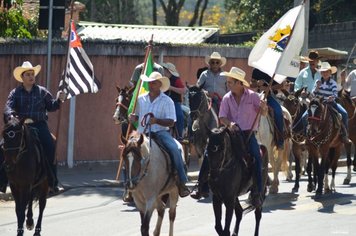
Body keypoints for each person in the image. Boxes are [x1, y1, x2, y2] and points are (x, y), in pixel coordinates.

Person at [192, 67, 268, 207]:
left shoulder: (253, 96)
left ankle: (257, 190)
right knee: (211, 150)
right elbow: (222, 117)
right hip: (230, 132)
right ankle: (200, 185)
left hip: (248, 133)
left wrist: (264, 107)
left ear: (239, 83)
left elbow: (263, 113)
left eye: (230, 82)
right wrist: (230, 124)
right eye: (228, 82)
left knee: (257, 156)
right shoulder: (227, 98)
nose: (228, 85)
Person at [1, 61, 65, 194]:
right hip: (21, 126)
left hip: (39, 125)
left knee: (50, 146)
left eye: (32, 74)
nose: (31, 77)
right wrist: (11, 116)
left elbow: (52, 106)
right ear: (22, 77)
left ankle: (53, 182)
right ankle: (2, 182)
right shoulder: (15, 92)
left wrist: (59, 100)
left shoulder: (42, 92)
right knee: (3, 146)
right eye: (28, 74)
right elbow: (8, 107)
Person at [128, 72, 190, 198]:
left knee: (175, 149)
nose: (151, 85)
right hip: (142, 133)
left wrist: (156, 121)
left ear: (160, 84)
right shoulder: (141, 99)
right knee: (128, 152)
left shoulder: (167, 101)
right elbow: (139, 116)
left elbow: (171, 122)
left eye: (154, 83)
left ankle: (181, 181)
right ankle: (128, 186)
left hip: (160, 132)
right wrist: (133, 117)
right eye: (150, 82)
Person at [311, 62, 350, 143]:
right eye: (323, 72)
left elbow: (335, 94)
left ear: (330, 73)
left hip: (330, 103)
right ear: (321, 73)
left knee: (344, 113)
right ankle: (305, 134)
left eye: (327, 72)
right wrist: (317, 88)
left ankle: (344, 135)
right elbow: (313, 93)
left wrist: (332, 97)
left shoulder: (333, 83)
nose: (325, 73)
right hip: (318, 104)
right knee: (305, 115)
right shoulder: (318, 82)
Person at [251, 68, 285, 149]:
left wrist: (269, 88)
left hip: (269, 96)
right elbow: (251, 84)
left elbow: (282, 85)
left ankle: (280, 140)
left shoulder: (276, 69)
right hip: (256, 95)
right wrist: (257, 84)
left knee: (278, 111)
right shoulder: (256, 69)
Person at [161, 62, 186, 139]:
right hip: (163, 102)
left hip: (175, 102)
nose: (164, 71)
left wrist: (171, 88)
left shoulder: (176, 80)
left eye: (165, 70)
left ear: (169, 71)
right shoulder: (162, 79)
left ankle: (179, 135)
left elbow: (183, 90)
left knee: (179, 115)